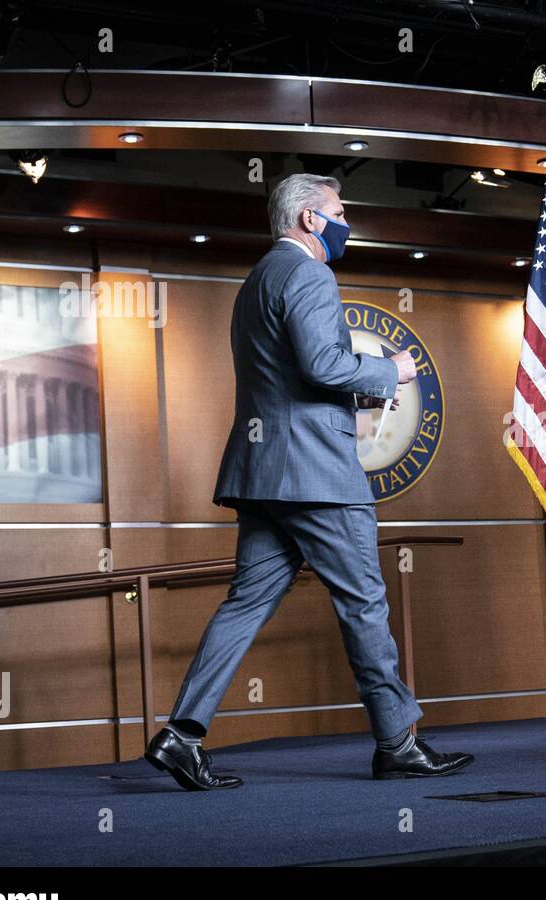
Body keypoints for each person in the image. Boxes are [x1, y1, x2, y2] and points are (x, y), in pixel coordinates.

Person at [144, 173, 473, 790]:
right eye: (339, 211)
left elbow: (291, 376)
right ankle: (397, 743)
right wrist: (389, 369)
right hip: (318, 477)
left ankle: (181, 735)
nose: (346, 220)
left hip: (264, 475)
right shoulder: (309, 274)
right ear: (310, 221)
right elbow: (324, 365)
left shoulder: (257, 281)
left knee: (244, 605)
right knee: (364, 603)